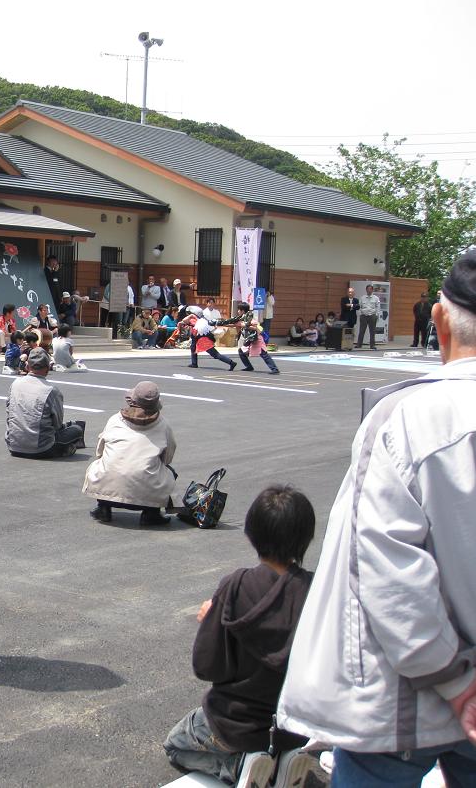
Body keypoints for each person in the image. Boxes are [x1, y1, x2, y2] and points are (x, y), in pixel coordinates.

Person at [277, 249, 476, 785]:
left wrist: (457, 681)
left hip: (406, 697)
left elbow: (385, 568)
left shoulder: (408, 416)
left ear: (439, 321)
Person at [164, 486, 318, 787]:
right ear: (306, 537)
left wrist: (212, 619)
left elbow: (207, 666)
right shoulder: (318, 590)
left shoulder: (235, 586)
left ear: (251, 533)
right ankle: (284, 760)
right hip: (294, 725)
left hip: (234, 721)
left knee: (175, 745)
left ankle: (240, 766)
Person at [83, 381, 176, 526]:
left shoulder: (115, 419)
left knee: (102, 464)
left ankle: (103, 508)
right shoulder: (163, 424)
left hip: (107, 491)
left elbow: (99, 452)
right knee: (170, 472)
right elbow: (168, 458)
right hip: (145, 496)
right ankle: (151, 514)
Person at [5, 347, 85, 459]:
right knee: (77, 429)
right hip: (41, 448)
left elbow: (9, 412)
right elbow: (57, 424)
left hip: (14, 445)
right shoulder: (51, 391)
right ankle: (64, 449)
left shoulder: (15, 384)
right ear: (47, 369)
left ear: (27, 366)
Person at [217, 302, 280, 374]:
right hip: (249, 340)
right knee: (241, 351)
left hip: (257, 339)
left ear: (243, 311)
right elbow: (234, 324)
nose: (238, 311)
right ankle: (249, 367)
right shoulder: (241, 319)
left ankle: (275, 369)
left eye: (239, 310)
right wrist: (220, 323)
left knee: (264, 354)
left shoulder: (250, 319)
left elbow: (256, 328)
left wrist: (244, 325)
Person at [355, 284, 381, 349]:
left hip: (372, 315)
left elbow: (378, 307)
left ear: (372, 290)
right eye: (368, 289)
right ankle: (359, 344)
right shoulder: (362, 297)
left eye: (370, 289)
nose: (369, 290)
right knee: (361, 330)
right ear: (366, 290)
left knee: (372, 331)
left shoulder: (376, 298)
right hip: (364, 316)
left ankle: (372, 345)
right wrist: (360, 314)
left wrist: (376, 315)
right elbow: (359, 306)